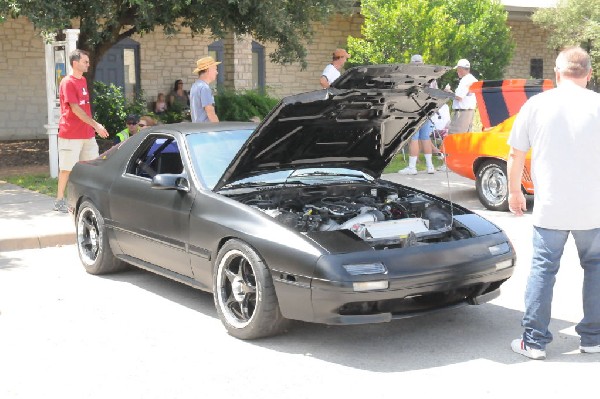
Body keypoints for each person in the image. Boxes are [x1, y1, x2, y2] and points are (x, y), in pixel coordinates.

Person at [507, 46, 600, 360]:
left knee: (543, 272)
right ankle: (593, 338)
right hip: (594, 209)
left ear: (557, 74)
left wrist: (515, 192)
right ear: (588, 75)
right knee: (597, 269)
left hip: (550, 209)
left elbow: (515, 153)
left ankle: (533, 342)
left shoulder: (536, 104)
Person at [54, 49, 109, 213]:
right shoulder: (67, 82)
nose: (88, 64)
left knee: (92, 166)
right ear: (75, 63)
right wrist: (96, 125)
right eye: (85, 61)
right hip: (71, 134)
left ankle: (89, 199)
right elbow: (76, 109)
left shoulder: (83, 80)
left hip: (87, 134)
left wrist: (92, 127)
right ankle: (59, 201)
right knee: (67, 168)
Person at [398, 54, 438, 175]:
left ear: (411, 63)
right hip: (427, 110)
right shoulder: (431, 76)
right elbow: (435, 94)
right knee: (425, 138)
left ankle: (412, 167)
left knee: (413, 138)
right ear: (423, 62)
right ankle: (430, 166)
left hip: (414, 110)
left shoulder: (409, 76)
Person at [446, 59, 477, 134]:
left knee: (455, 136)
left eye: (458, 69)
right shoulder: (472, 79)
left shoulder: (465, 80)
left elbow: (459, 97)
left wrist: (448, 92)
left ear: (461, 69)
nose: (457, 71)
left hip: (462, 112)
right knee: (465, 138)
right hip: (470, 111)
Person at [190, 56, 220, 122]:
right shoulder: (205, 88)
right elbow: (210, 113)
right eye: (215, 69)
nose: (217, 72)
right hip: (206, 130)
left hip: (197, 129)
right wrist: (219, 130)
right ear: (207, 69)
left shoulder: (195, 86)